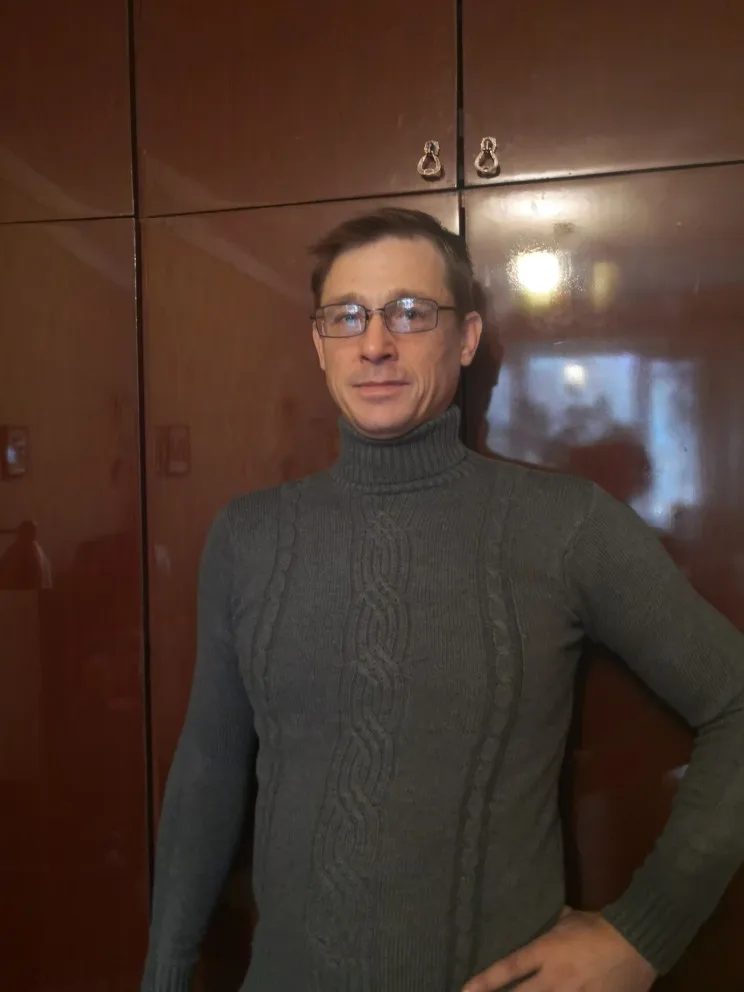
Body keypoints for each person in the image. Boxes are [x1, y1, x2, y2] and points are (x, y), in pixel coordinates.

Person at [141, 208, 744, 992]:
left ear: (465, 338)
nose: (374, 343)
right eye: (347, 315)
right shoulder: (247, 536)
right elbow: (208, 771)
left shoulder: (564, 525)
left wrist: (641, 937)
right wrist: (163, 975)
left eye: (409, 312)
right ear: (319, 343)